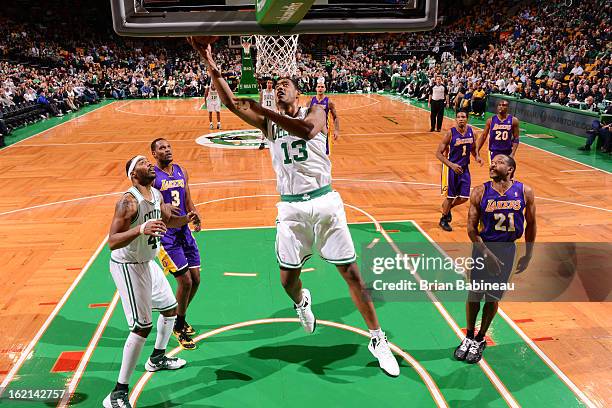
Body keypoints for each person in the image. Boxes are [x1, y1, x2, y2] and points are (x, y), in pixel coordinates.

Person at [188, 36, 399, 377]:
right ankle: (302, 302)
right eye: (279, 84)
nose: (282, 87)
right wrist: (209, 62)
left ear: (297, 93)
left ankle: (377, 338)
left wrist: (264, 109)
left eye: (287, 84)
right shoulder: (268, 122)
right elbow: (230, 102)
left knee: (352, 274)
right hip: (290, 209)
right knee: (288, 280)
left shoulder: (314, 110)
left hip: (325, 202)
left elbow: (306, 130)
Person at [104, 155, 199, 408]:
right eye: (144, 163)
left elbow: (168, 221)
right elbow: (112, 241)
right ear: (134, 174)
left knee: (170, 309)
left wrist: (187, 219)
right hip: (128, 267)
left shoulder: (156, 194)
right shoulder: (128, 202)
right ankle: (118, 392)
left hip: (148, 263)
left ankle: (157, 358)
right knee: (141, 327)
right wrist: (140, 229)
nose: (150, 165)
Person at [454, 155, 536, 364]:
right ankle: (469, 336)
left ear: (510, 169)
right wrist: (486, 253)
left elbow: (531, 224)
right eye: (493, 161)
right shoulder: (480, 192)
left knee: (493, 297)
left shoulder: (525, 192)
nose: (492, 164)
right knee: (475, 293)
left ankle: (480, 338)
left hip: (507, 250)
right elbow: (471, 229)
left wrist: (529, 252)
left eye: (499, 162)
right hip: (482, 249)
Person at [151, 138, 203, 350]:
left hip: (184, 231)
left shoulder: (181, 170)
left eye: (168, 147)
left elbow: (187, 198)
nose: (167, 150)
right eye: (161, 148)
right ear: (154, 154)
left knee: (196, 279)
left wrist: (195, 214)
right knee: (186, 282)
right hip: (167, 235)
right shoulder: (153, 177)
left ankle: (180, 318)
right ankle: (178, 325)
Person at [436, 111, 483, 232]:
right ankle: (443, 219)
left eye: (463, 117)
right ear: (455, 119)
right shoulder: (450, 133)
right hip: (451, 168)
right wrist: (451, 165)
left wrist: (477, 157)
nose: (461, 119)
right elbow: (438, 154)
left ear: (467, 119)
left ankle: (447, 208)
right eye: (458, 117)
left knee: (464, 197)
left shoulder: (472, 132)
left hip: (464, 168)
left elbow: (473, 149)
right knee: (451, 196)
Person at [308, 80, 340, 154]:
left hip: (323, 132)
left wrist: (337, 130)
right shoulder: (310, 101)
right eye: (318, 87)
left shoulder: (329, 102)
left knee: (324, 154)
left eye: (322, 87)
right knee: (312, 155)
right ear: (316, 88)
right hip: (312, 132)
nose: (320, 88)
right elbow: (306, 116)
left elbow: (335, 117)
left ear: (325, 89)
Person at [258, 79, 276, 149]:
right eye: (268, 83)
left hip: (273, 111)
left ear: (272, 84)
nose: (269, 84)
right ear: (266, 84)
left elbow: (277, 102)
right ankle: (262, 142)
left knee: (273, 127)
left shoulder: (275, 92)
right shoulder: (263, 92)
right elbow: (260, 102)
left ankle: (273, 143)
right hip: (265, 111)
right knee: (263, 127)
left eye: (271, 83)